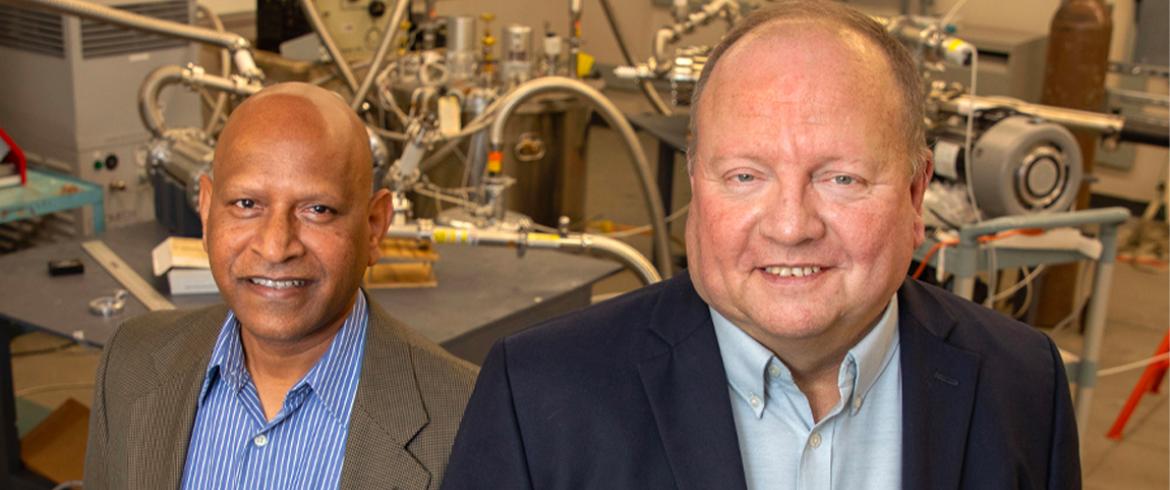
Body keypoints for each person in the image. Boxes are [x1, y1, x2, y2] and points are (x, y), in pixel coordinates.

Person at [441, 2, 1080, 488]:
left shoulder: (1024, 382)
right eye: (746, 176)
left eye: (841, 179)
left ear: (916, 196)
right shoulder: (540, 394)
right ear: (697, 188)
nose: (791, 226)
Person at [84, 83, 477, 489]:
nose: (275, 247)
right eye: (246, 204)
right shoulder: (131, 361)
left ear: (374, 226)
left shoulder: (467, 417)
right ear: (206, 210)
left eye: (318, 210)